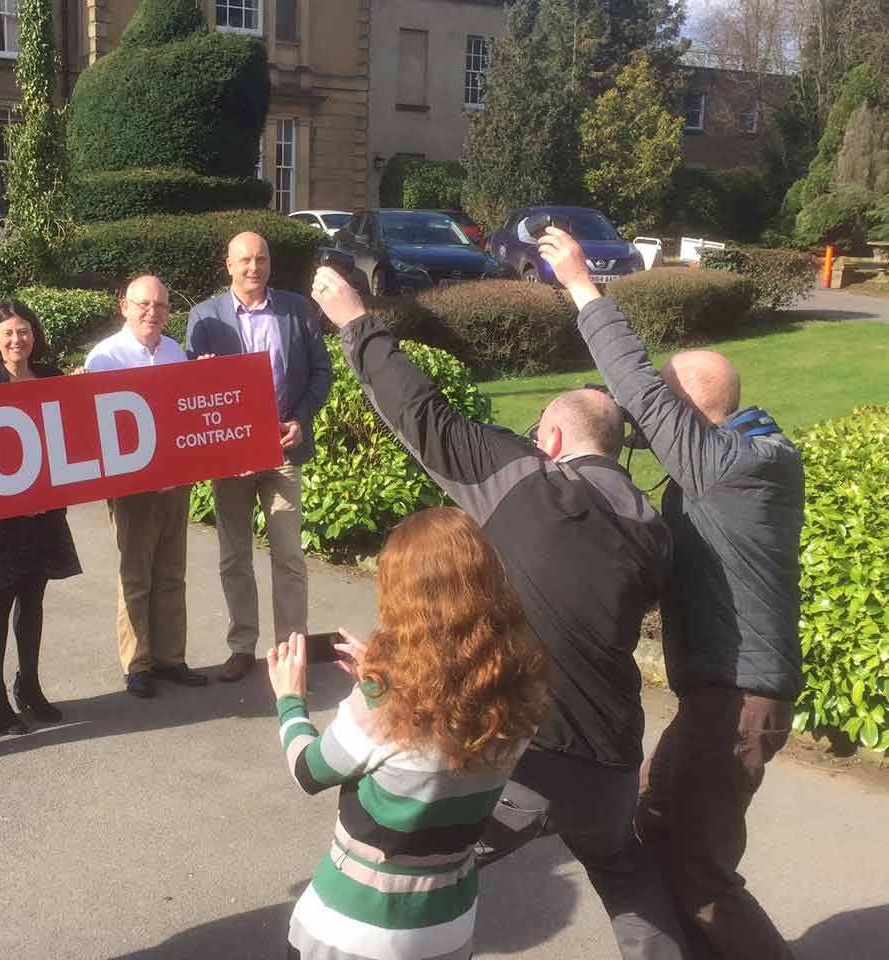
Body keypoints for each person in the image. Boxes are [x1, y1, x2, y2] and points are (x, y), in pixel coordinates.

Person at [310, 265, 690, 959]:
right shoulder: (653, 532)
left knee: (417, 858)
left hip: (524, 753)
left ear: (548, 439)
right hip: (611, 759)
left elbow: (421, 413)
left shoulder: (520, 479)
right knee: (624, 872)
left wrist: (354, 321)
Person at [539, 227, 805, 959]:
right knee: (652, 822)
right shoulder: (742, 463)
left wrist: (579, 283)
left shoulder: (723, 467)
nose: (645, 417)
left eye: (667, 401)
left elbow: (633, 382)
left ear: (694, 411)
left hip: (736, 702)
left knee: (700, 874)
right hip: (727, 695)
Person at [266, 507, 548, 960]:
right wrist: (380, 678)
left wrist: (289, 699)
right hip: (449, 929)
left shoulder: (385, 707)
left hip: (352, 930)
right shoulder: (522, 697)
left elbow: (308, 769)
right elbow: (448, 706)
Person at [186, 231, 334, 683]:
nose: (254, 267)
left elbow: (321, 371)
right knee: (235, 556)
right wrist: (201, 373)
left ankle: (291, 649)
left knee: (288, 554)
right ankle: (241, 646)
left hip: (283, 449)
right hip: (231, 456)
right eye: (245, 260)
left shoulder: (295, 309)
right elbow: (188, 389)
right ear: (228, 265)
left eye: (262, 259)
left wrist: (302, 419)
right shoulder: (204, 317)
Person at [84, 275, 210, 699]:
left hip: (176, 484)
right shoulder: (106, 357)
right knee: (136, 577)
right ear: (124, 306)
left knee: (173, 572)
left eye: (160, 306)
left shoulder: (175, 352)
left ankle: (171, 659)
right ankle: (137, 665)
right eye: (143, 305)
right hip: (133, 489)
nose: (152, 313)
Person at [0, 299, 83, 734]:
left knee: (33, 597)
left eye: (24, 331)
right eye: (9, 334)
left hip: (45, 511)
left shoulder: (52, 378)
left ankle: (29, 687)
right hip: (1, 514)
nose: (18, 339)